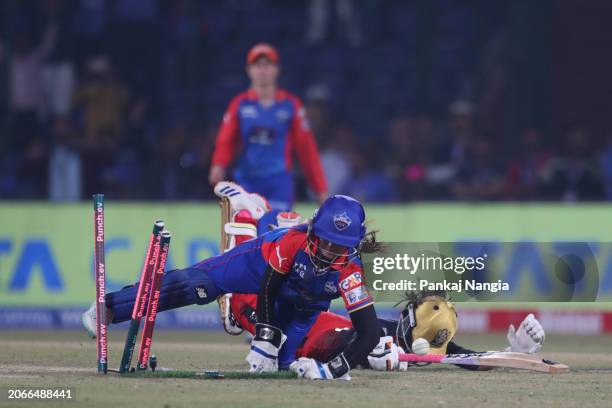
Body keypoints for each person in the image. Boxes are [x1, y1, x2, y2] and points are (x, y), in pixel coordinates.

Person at [82, 187, 378, 379]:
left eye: (339, 247)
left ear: (353, 245)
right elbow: (268, 287)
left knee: (282, 368)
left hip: (302, 305)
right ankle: (108, 308)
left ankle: (253, 214)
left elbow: (370, 333)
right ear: (314, 231)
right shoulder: (293, 242)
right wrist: (265, 337)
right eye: (326, 243)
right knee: (196, 286)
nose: (329, 253)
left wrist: (332, 370)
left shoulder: (351, 271)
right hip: (255, 266)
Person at [225, 290, 546, 372]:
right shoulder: (251, 302)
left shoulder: (408, 336)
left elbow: (467, 357)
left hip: (330, 336)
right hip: (316, 337)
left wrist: (514, 352)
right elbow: (337, 342)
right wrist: (369, 353)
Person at [208, 43, 328, 211]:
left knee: (277, 235)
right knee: (245, 234)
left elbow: (307, 149)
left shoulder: (291, 105)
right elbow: (225, 140)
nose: (263, 70)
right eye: (257, 65)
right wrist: (218, 164)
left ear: (277, 69)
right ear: (249, 70)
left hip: (278, 183)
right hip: (246, 182)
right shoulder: (240, 105)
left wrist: (320, 189)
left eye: (267, 65)